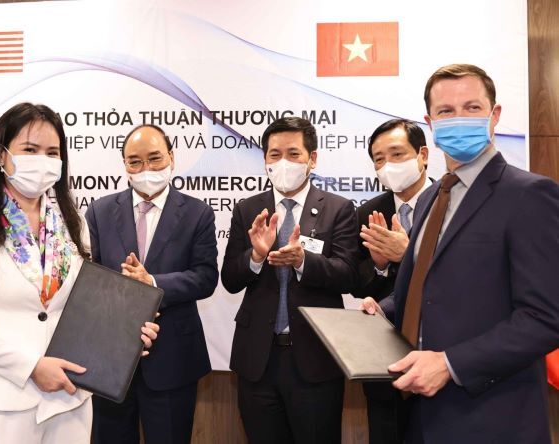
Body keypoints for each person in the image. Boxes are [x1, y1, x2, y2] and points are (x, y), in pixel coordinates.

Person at [0, 103, 158, 444]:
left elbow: (82, 311)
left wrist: (127, 336)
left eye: (52, 152)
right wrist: (31, 367)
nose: (42, 160)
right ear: (1, 155)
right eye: (30, 149)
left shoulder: (73, 225)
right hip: (0, 404)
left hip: (69, 399)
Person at [362, 64, 559, 443]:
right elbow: (431, 287)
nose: (459, 119)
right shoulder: (432, 198)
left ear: (494, 115)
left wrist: (450, 365)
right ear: (430, 123)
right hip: (419, 413)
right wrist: (383, 311)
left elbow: (546, 317)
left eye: (472, 108)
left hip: (491, 417)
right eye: (446, 111)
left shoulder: (530, 195)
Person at [221, 117, 359, 443]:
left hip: (314, 360)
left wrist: (303, 261)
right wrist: (255, 257)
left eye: (293, 154)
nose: (284, 162)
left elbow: (348, 275)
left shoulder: (338, 208)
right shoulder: (247, 209)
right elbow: (229, 279)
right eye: (275, 154)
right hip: (258, 359)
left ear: (313, 159)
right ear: (265, 160)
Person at [86, 124, 218, 444]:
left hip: (172, 358)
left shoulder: (198, 213)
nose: (146, 168)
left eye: (155, 158)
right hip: (111, 359)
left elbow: (205, 277)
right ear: (124, 165)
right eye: (135, 161)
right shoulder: (100, 211)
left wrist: (152, 282)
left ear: (172, 157)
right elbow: (88, 278)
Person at [352, 118, 431, 444]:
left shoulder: (450, 203)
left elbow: (463, 277)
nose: (388, 166)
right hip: (385, 359)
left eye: (397, 154)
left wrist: (407, 254)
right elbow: (357, 285)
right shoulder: (369, 212)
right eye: (379, 159)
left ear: (422, 155)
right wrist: (380, 265)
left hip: (440, 354)